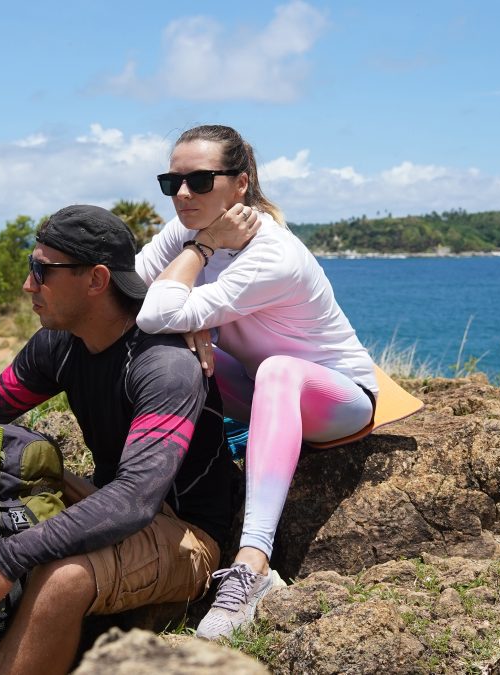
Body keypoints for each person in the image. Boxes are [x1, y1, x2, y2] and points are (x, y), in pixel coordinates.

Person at [0, 205, 234, 675]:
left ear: (96, 280)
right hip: (108, 497)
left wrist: (5, 559)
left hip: (187, 533)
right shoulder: (60, 344)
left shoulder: (164, 365)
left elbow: (135, 500)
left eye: (42, 271)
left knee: (60, 576)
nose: (29, 284)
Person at [134, 124, 378, 640]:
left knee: (277, 369)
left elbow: (156, 311)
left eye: (199, 181)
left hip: (339, 400)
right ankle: (146, 487)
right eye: (171, 182)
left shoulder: (273, 254)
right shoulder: (185, 234)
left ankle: (254, 567)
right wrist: (195, 285)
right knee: (168, 348)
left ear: (240, 183)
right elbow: (128, 295)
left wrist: (198, 259)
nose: (182, 194)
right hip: (257, 391)